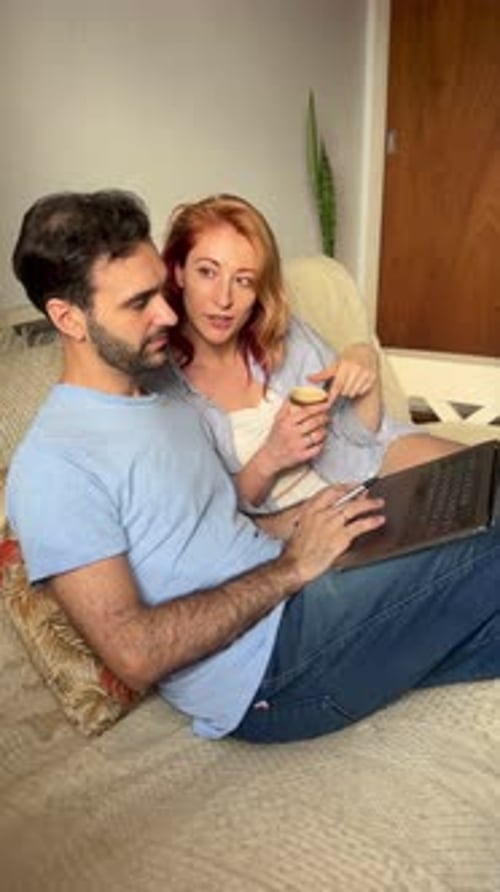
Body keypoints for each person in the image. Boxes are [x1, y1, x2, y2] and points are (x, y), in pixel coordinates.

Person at [6, 189, 500, 746]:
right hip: (268, 675)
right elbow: (135, 655)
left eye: (161, 293)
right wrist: (292, 567)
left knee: (471, 493)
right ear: (68, 319)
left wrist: (308, 518)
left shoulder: (161, 401)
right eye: (140, 303)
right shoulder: (53, 468)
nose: (169, 313)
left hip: (306, 593)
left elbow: (222, 523)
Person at [156, 194, 462, 511]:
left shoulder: (282, 334)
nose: (224, 299)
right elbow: (207, 518)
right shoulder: (159, 384)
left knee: (486, 483)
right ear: (179, 273)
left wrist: (363, 359)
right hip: (306, 526)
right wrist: (271, 457)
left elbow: (359, 437)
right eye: (207, 272)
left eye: (244, 280)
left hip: (365, 473)